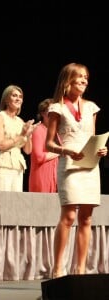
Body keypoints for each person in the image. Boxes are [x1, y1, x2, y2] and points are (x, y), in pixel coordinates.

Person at [45, 63, 108, 278]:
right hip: (70, 165)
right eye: (79, 77)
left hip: (89, 166)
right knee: (69, 215)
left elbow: (92, 138)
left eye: (86, 77)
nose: (84, 80)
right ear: (67, 81)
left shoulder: (91, 107)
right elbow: (48, 144)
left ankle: (80, 269)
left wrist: (101, 149)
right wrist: (66, 150)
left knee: (87, 218)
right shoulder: (57, 108)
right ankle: (58, 267)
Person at [0, 85, 38, 191]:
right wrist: (21, 134)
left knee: (15, 203)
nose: (18, 99)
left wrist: (28, 135)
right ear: (6, 99)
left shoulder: (20, 121)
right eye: (14, 96)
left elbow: (27, 151)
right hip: (1, 165)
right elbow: (1, 145)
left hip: (17, 166)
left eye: (20, 97)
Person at [28, 98, 59, 192]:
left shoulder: (57, 133)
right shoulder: (38, 130)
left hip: (55, 177)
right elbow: (38, 157)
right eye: (50, 111)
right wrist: (59, 151)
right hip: (42, 176)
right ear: (42, 113)